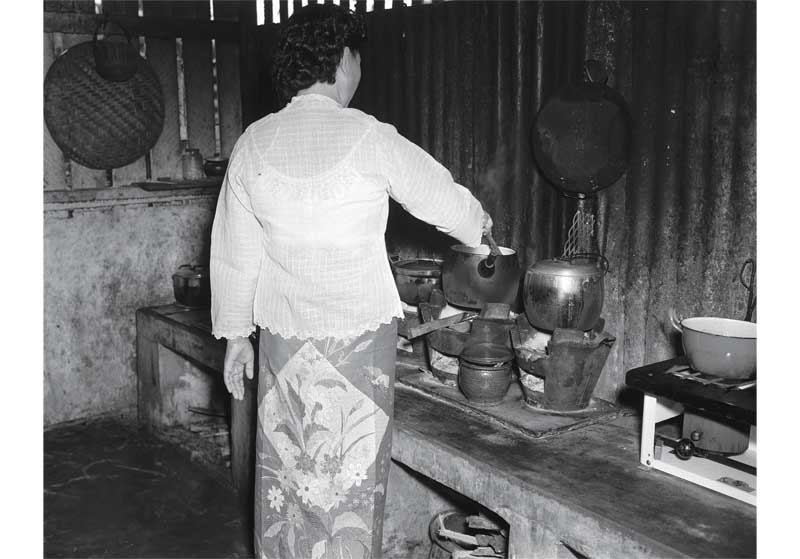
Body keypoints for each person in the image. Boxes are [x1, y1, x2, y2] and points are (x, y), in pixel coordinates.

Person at [210, 4, 492, 558]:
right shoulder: (368, 136)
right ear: (340, 60)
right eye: (356, 56)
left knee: (289, 473)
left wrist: (236, 338)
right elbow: (439, 196)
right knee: (349, 482)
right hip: (358, 345)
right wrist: (478, 226)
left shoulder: (252, 144)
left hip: (284, 343)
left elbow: (235, 255)